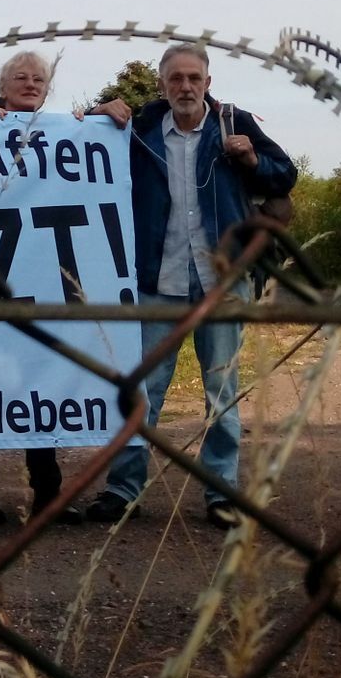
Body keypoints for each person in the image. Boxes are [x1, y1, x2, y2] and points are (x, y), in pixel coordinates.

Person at [85, 42, 297, 528]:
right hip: (156, 279)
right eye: (176, 78)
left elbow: (285, 176)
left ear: (208, 83)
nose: (185, 86)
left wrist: (252, 160)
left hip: (222, 280)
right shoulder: (137, 129)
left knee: (222, 393)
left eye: (193, 78)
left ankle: (221, 494)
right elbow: (84, 153)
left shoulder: (233, 123)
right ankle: (123, 491)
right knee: (143, 392)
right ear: (162, 84)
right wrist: (96, 116)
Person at [0, 51, 127, 527]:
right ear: (2, 85)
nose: (30, 84)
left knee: (41, 385)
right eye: (20, 77)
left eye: (38, 79)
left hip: (41, 283)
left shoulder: (65, 133)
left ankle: (48, 495)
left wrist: (101, 116)